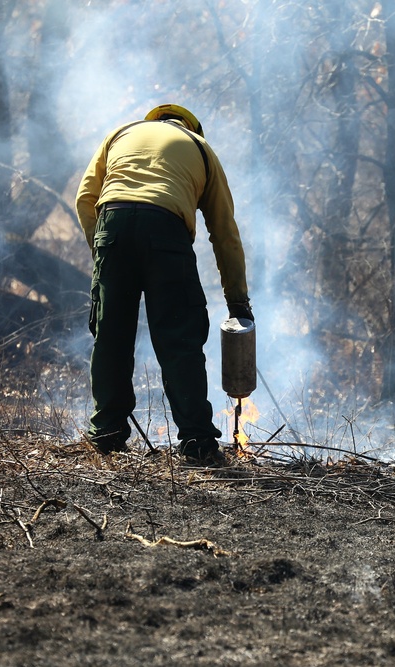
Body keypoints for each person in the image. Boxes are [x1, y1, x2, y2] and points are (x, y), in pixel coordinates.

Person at [75, 104, 252, 461]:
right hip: (166, 232)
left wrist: (103, 253)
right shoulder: (201, 149)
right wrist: (238, 303)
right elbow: (225, 234)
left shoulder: (121, 133)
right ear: (191, 127)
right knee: (179, 339)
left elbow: (85, 198)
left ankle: (106, 436)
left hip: (114, 224)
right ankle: (197, 442)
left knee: (111, 336)